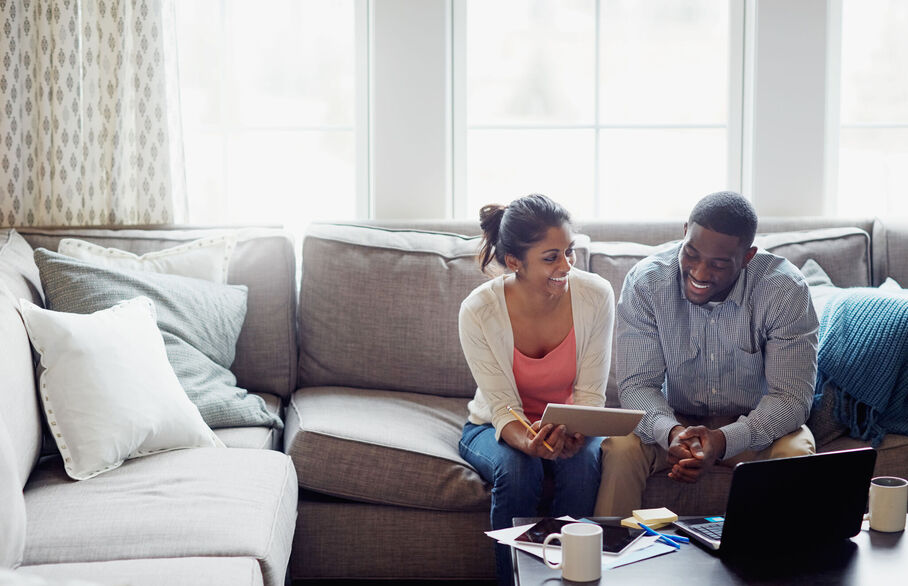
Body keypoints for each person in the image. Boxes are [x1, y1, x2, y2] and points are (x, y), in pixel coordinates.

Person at [595, 191, 819, 517]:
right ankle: (611, 559)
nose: (700, 273)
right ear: (685, 231)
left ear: (747, 257)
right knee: (620, 447)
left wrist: (723, 440)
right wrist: (672, 433)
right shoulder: (647, 282)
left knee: (796, 452)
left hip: (751, 428)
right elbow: (638, 386)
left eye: (718, 264)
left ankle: (775, 564)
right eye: (692, 254)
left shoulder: (784, 290)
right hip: (675, 422)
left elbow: (791, 399)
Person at [458, 193, 615, 584]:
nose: (566, 266)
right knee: (517, 468)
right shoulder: (479, 310)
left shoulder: (596, 295)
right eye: (551, 257)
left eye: (569, 252)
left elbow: (591, 396)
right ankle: (512, 579)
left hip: (571, 422)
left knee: (582, 466)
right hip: (495, 427)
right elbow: (502, 407)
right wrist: (530, 443)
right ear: (514, 263)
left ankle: (572, 577)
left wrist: (576, 430)